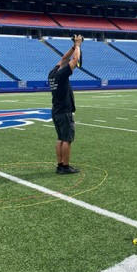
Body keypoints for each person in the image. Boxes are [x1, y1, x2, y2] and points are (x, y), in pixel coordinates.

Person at [48, 34, 83, 175]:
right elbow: (74, 59)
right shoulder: (62, 75)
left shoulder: (52, 73)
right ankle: (65, 167)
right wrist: (78, 45)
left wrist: (73, 47)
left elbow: (64, 58)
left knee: (60, 138)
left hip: (56, 110)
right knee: (67, 139)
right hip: (64, 111)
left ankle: (60, 165)